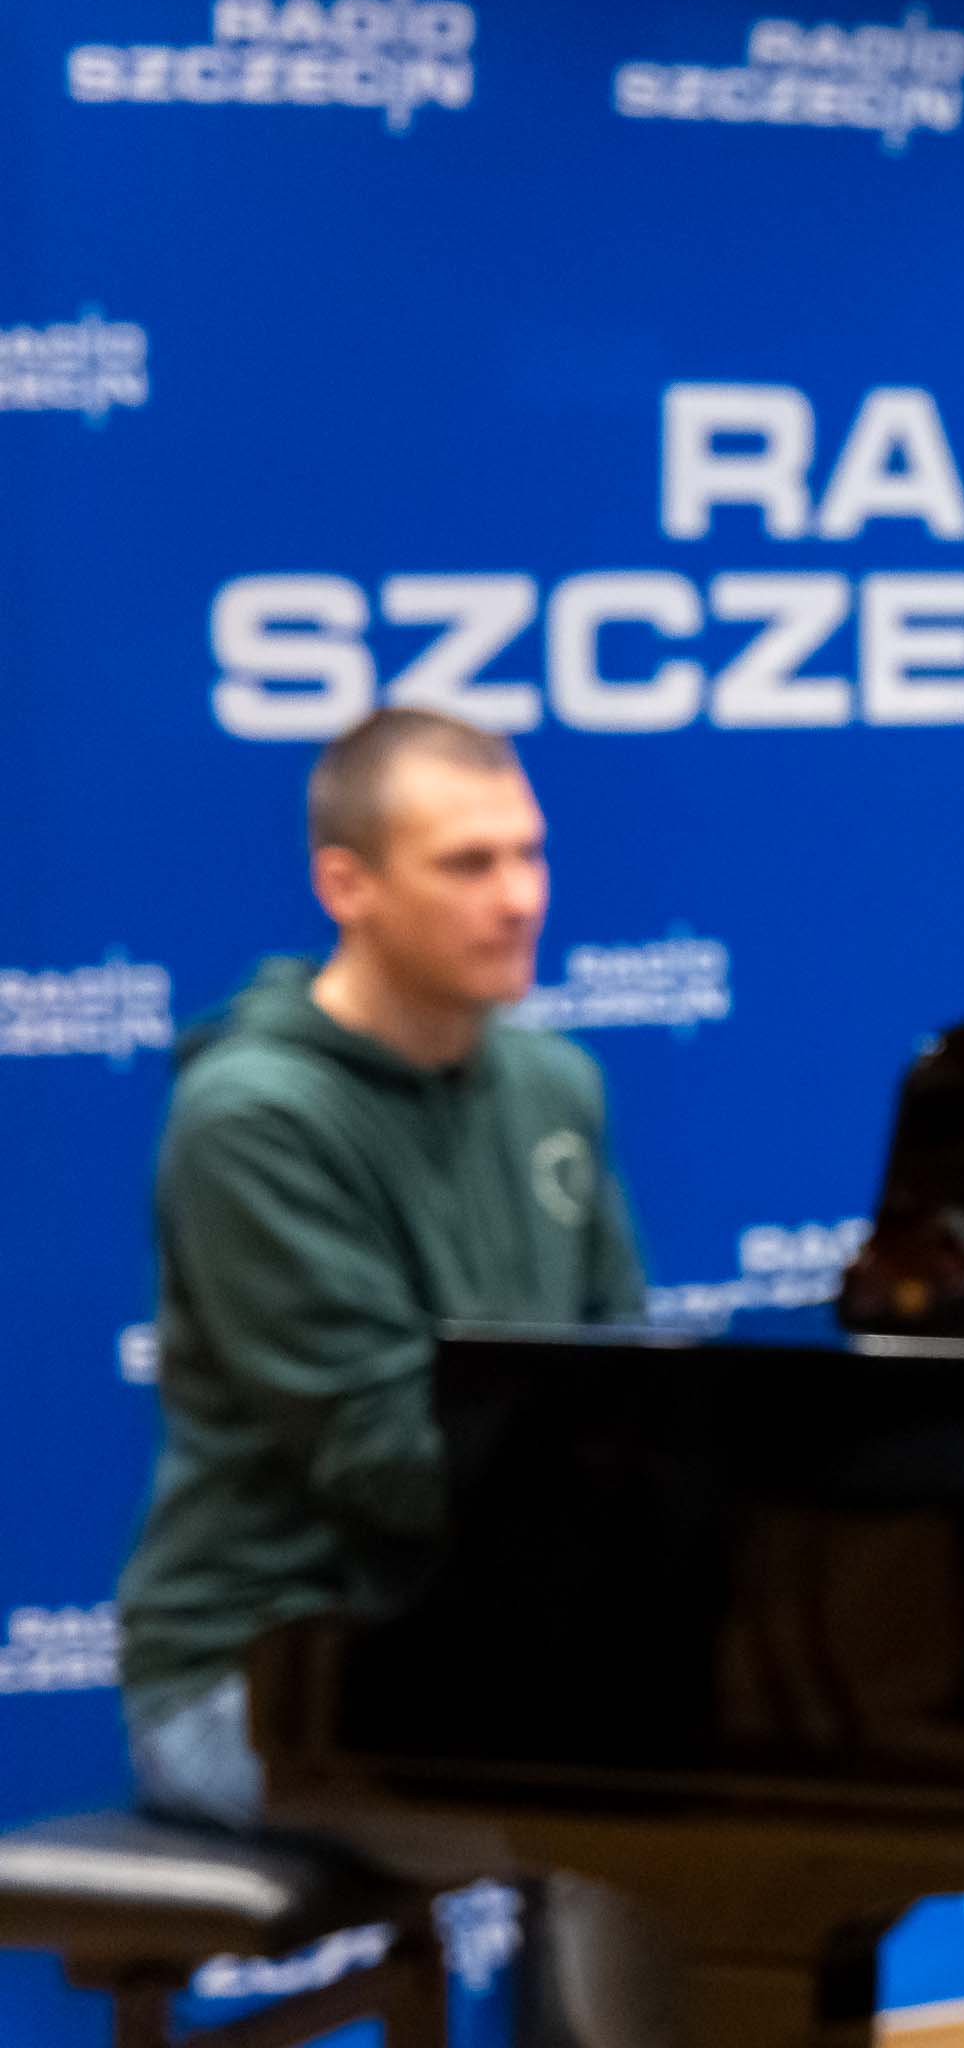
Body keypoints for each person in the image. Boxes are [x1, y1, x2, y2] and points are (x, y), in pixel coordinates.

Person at [116, 705, 671, 2047]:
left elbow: (627, 1381)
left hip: (495, 1644)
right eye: (467, 863)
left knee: (743, 1761)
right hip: (261, 1677)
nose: (518, 897)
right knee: (640, 1808)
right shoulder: (255, 1118)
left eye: (529, 854)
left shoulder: (555, 1084)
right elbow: (383, 1463)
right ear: (346, 885)